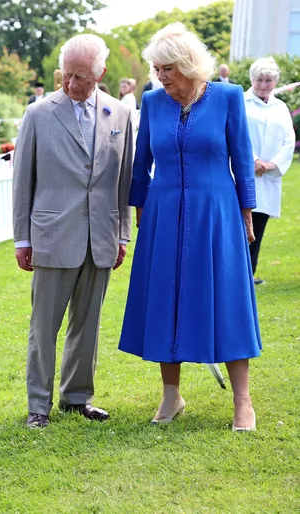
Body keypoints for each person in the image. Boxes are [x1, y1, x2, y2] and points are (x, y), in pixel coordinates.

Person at [118, 23, 261, 432]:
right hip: (164, 214)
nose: (161, 77)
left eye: (168, 68)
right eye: (156, 69)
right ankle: (171, 395)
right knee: (166, 300)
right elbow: (141, 164)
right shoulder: (153, 102)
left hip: (216, 212)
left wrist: (246, 213)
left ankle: (242, 402)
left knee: (227, 299)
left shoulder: (228, 97)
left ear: (188, 64)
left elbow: (242, 157)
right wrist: (141, 214)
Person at [13, 34, 134, 428]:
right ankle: (38, 406)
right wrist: (22, 238)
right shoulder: (38, 114)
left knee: (88, 325)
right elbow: (22, 181)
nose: (71, 85)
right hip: (50, 235)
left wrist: (121, 234)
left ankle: (77, 397)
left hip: (100, 237)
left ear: (100, 73)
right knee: (43, 328)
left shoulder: (119, 114)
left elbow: (123, 181)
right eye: (67, 75)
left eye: (81, 77)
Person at [244, 57, 295, 285]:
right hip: (246, 173)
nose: (264, 85)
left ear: (276, 81)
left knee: (259, 225)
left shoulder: (280, 107)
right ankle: (237, 272)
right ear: (252, 79)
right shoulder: (241, 104)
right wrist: (253, 161)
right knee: (242, 225)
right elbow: (237, 136)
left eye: (269, 80)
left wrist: (272, 164)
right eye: (260, 80)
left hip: (269, 176)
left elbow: (288, 139)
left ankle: (250, 272)